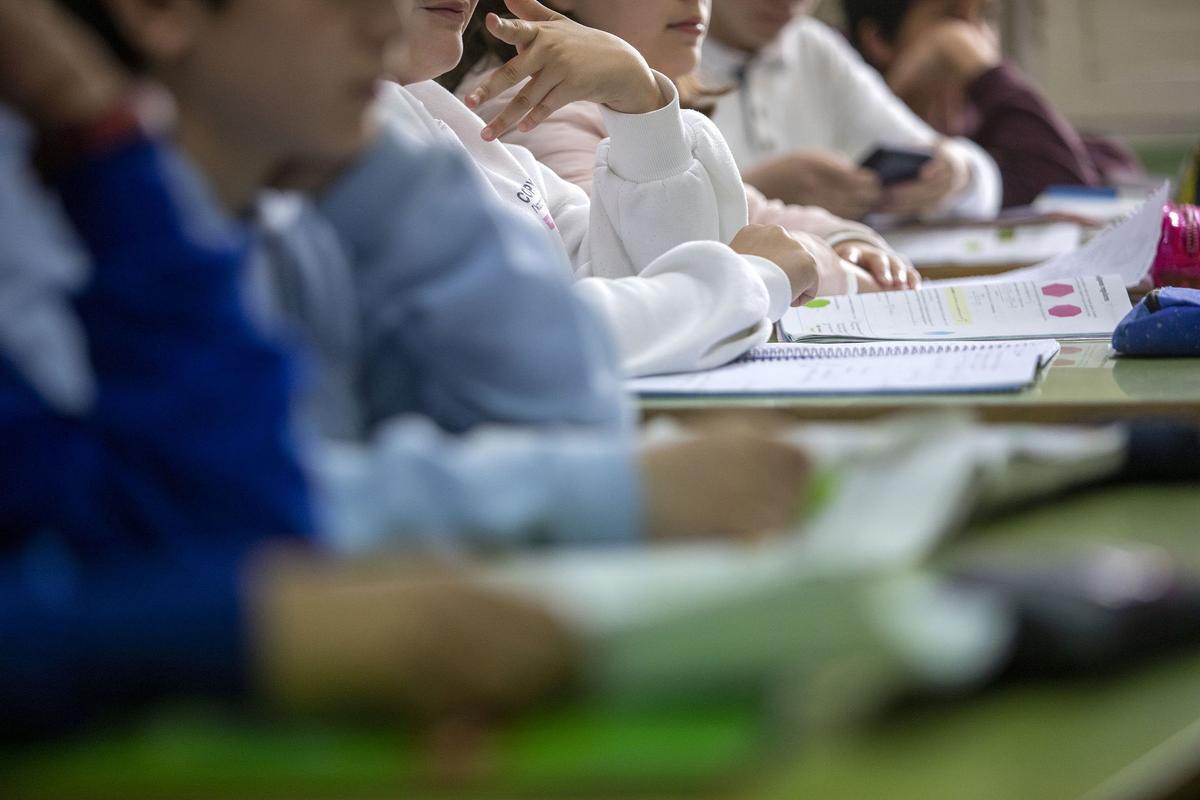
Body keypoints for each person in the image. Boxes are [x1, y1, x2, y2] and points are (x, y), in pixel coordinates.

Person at [0, 0, 575, 738]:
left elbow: (252, 537)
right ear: (158, 12)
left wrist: (105, 143)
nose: (389, 26)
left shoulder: (270, 223)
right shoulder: (52, 230)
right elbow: (239, 559)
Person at [51, 0, 814, 554]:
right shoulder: (71, 231)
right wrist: (741, 284)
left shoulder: (315, 188)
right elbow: (218, 519)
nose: (382, 22)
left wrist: (645, 103)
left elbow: (567, 402)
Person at [453, 0, 921, 294]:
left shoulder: (603, 105)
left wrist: (846, 240)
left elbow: (746, 215)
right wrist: (824, 265)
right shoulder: (529, 110)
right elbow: (672, 271)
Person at [700, 0, 1001, 221]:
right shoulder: (662, 56)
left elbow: (978, 178)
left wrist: (956, 173)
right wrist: (752, 194)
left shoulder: (812, 46)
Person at [843, 0, 1144, 208]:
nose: (976, 40)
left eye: (986, 14)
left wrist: (985, 74)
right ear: (878, 39)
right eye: (950, 17)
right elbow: (1063, 185)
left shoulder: (995, 127)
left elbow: (1106, 172)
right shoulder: (847, 134)